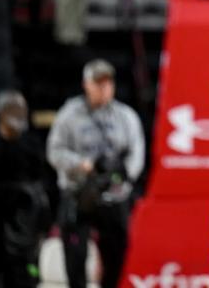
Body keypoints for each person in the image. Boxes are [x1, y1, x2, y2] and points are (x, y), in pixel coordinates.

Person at [47, 59, 145, 288]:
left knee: (117, 252)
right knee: (75, 254)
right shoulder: (69, 115)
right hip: (78, 193)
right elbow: (54, 151)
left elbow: (137, 152)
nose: (104, 87)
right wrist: (82, 164)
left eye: (108, 82)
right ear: (86, 84)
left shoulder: (126, 116)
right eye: (98, 82)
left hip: (113, 196)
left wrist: (123, 175)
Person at [0, 90, 48, 288]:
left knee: (23, 274)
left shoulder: (32, 145)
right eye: (12, 110)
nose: (18, 115)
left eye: (21, 110)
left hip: (23, 224)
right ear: (1, 113)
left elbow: (41, 185)